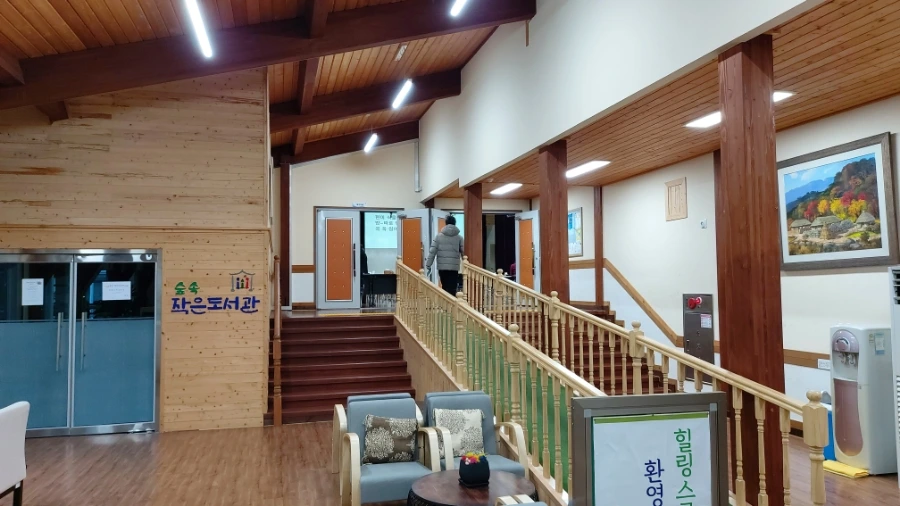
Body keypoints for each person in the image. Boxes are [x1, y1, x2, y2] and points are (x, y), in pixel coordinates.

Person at [425, 215, 464, 295]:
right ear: (455, 223)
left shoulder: (438, 237)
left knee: (445, 287)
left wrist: (428, 265)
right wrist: (466, 264)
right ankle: (452, 302)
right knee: (452, 288)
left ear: (446, 223)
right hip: (454, 267)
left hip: (442, 267)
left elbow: (432, 252)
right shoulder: (459, 238)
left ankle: (445, 302)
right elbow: (464, 253)